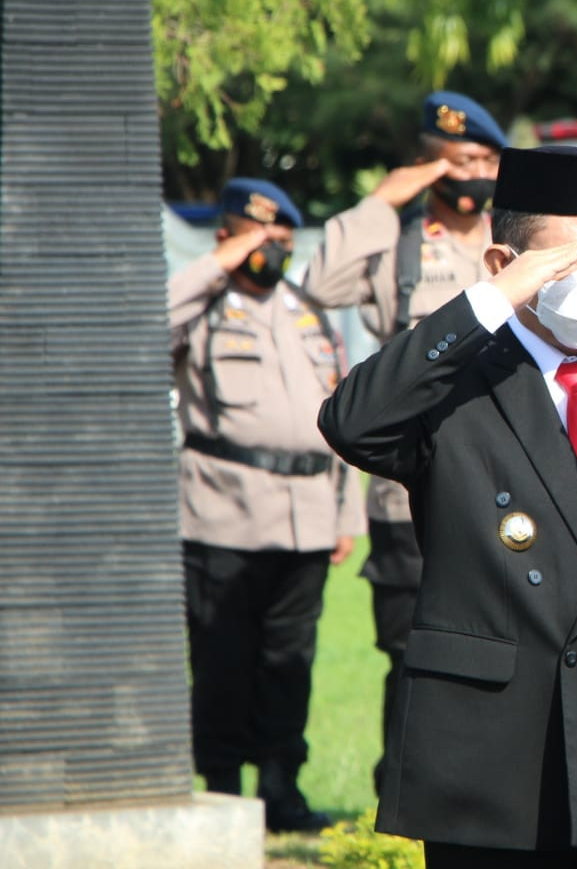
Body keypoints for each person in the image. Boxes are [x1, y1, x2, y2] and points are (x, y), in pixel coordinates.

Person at [318, 144, 577, 869]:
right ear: (503, 265)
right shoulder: (455, 387)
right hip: (493, 762)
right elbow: (353, 422)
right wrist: (493, 304)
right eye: (574, 257)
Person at [299, 90, 506, 792]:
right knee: (414, 647)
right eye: (457, 160)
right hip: (412, 484)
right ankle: (407, 785)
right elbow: (320, 284)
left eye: (484, 158)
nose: (473, 172)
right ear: (428, 167)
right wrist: (383, 201)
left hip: (506, 475)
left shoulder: (513, 242)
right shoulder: (399, 241)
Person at [169, 177, 361, 832]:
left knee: (290, 662)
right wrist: (212, 266)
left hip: (306, 514)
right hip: (223, 512)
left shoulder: (307, 310)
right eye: (254, 235)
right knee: (222, 659)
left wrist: (346, 515)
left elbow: (340, 418)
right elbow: (144, 328)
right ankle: (221, 787)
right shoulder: (202, 305)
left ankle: (281, 787)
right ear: (225, 237)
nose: (269, 248)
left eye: (280, 236)